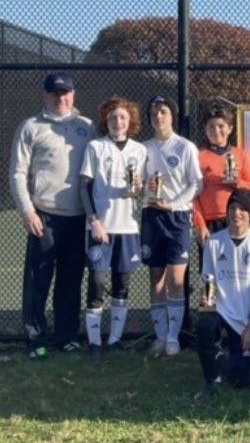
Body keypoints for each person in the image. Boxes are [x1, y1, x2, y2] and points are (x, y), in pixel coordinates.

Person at [10, 72, 95, 358]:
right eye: (56, 93)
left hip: (79, 217)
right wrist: (28, 210)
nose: (62, 98)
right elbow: (18, 173)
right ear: (46, 96)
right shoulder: (30, 127)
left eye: (66, 93)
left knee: (71, 279)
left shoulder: (87, 127)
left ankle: (66, 337)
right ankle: (35, 340)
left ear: (74, 94)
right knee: (39, 280)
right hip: (44, 217)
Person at [79, 96, 148, 359]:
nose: (117, 122)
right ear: (105, 121)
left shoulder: (139, 151)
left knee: (122, 284)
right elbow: (84, 186)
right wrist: (94, 220)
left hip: (128, 227)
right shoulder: (95, 147)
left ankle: (115, 339)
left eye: (122, 117)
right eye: (112, 117)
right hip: (101, 228)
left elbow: (142, 194)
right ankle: (94, 343)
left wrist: (141, 189)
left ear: (130, 122)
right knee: (97, 281)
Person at [195, 189, 250, 401]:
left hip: (247, 319)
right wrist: (207, 305)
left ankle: (222, 358)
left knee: (240, 381)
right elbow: (208, 281)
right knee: (203, 327)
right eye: (233, 208)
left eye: (242, 209)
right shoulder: (214, 242)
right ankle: (211, 381)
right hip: (221, 310)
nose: (236, 213)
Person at [142, 95, 203, 356]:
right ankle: (160, 335)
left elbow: (196, 184)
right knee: (156, 278)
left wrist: (175, 204)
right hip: (151, 217)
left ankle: (173, 338)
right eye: (154, 112)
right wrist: (147, 189)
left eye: (163, 112)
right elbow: (135, 185)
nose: (159, 117)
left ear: (172, 116)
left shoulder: (186, 147)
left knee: (176, 280)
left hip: (178, 219)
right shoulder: (142, 148)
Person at [192, 105, 250, 249]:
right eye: (211, 126)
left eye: (221, 126)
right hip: (209, 223)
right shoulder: (198, 156)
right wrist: (200, 224)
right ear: (205, 129)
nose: (216, 131)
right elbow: (194, 196)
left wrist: (237, 183)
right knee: (211, 268)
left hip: (236, 220)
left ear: (230, 128)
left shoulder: (240, 155)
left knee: (236, 267)